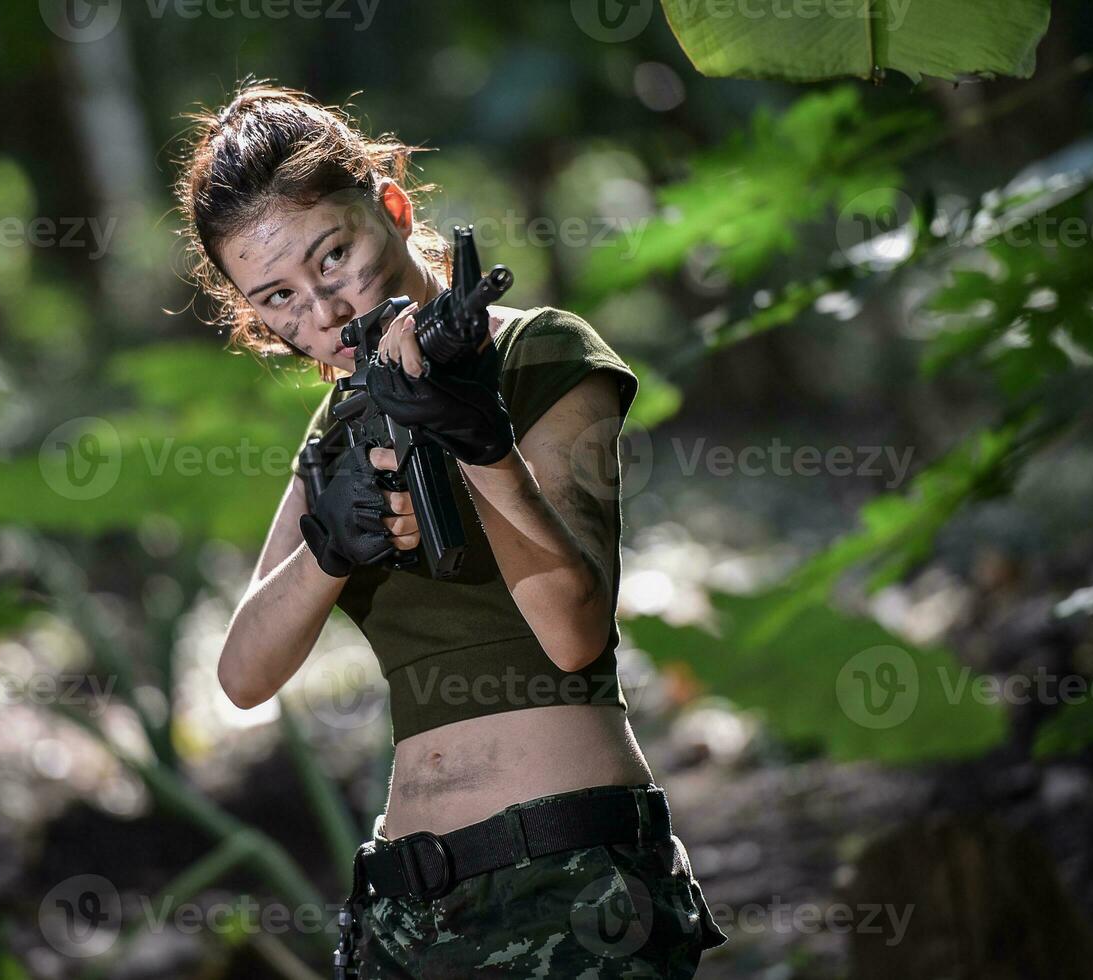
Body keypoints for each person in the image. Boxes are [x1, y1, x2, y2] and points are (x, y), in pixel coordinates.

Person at [174, 79, 728, 978]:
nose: (321, 314)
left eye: (333, 257)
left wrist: (483, 441)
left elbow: (573, 630)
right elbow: (243, 674)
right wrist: (328, 549)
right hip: (405, 909)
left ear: (390, 207)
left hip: (569, 879)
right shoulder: (340, 430)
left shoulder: (539, 352)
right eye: (274, 297)